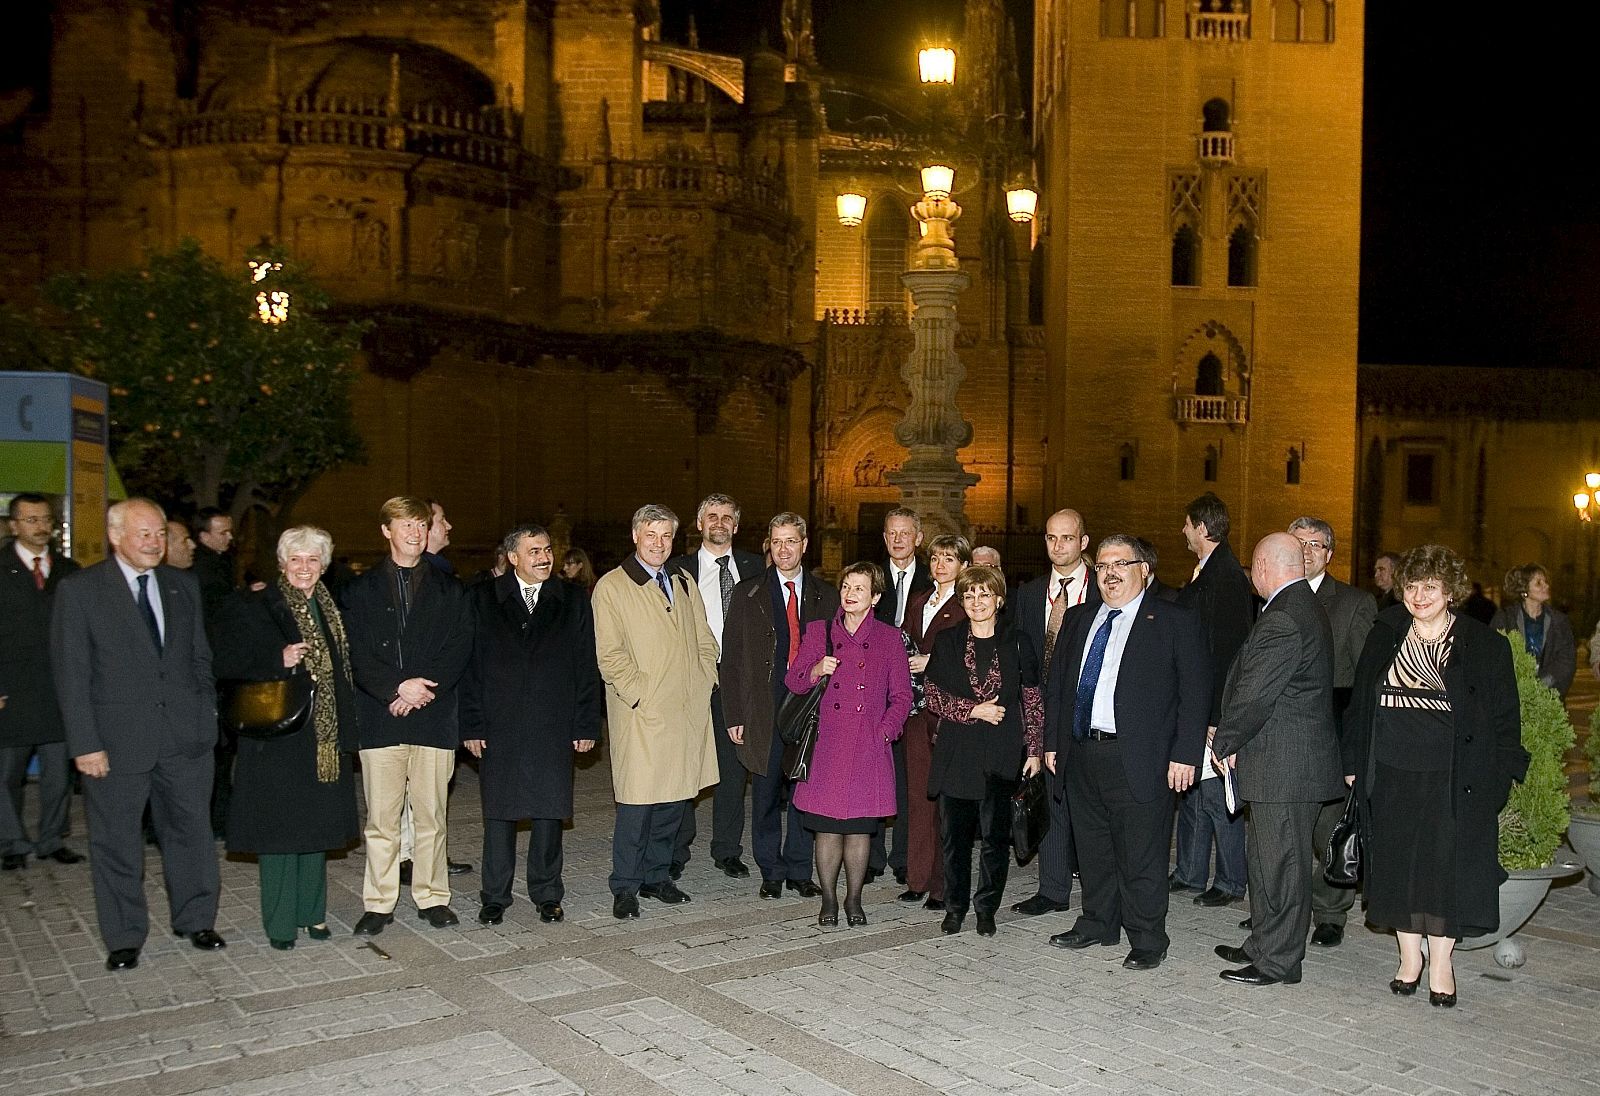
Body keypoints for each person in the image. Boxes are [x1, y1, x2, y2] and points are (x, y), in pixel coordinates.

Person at [1345, 545, 1528, 1008]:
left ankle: (1441, 962)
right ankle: (1410, 958)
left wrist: (1499, 778)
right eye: (1412, 585)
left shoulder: (1484, 645)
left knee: (1443, 871)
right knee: (1398, 867)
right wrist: (1352, 765)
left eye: (1430, 586)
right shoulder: (1384, 633)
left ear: (1451, 591)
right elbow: (1359, 705)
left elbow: (1506, 720)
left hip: (1451, 780)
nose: (1419, 595)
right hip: (1390, 775)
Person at [51, 498, 226, 971]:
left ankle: (197, 919)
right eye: (144, 533)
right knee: (116, 842)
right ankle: (124, 936)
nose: (154, 542)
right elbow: (72, 674)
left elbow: (199, 658)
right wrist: (85, 743)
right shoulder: (81, 590)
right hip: (114, 743)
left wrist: (204, 716)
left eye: (160, 533)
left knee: (191, 832)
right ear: (115, 537)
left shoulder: (182, 585)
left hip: (184, 739)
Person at [1043, 534, 1210, 971]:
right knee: (1093, 849)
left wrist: (1186, 754)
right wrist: (1053, 742)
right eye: (1102, 566)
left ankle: (1148, 938)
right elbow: (1058, 686)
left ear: (1145, 570)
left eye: (1121, 563)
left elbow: (1196, 693)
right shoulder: (1079, 619)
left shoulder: (1173, 620)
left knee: (1142, 855)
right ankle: (1098, 922)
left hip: (1141, 758)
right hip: (1082, 752)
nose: (1110, 573)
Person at [213, 526, 359, 950]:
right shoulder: (256, 604)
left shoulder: (330, 607)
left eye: (313, 559)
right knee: (279, 832)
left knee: (315, 828)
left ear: (324, 566)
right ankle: (280, 923)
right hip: (276, 738)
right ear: (281, 563)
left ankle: (312, 913)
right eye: (296, 559)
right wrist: (275, 659)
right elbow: (225, 661)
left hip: (322, 737)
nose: (304, 567)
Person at [1211, 533, 1342, 988]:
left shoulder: (1285, 616)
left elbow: (1254, 695)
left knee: (1283, 866)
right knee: (1266, 860)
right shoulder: (1298, 605)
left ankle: (1279, 961)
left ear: (1265, 566)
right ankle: (1263, 944)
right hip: (1279, 763)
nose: (1252, 575)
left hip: (1285, 766)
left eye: (1253, 567)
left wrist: (1223, 742)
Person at [340, 496, 473, 935]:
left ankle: (432, 897)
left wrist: (421, 691)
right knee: (382, 821)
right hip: (381, 717)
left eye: (421, 525)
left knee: (431, 817)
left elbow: (459, 648)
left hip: (433, 717)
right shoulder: (359, 590)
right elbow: (354, 652)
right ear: (386, 531)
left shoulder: (451, 589)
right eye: (406, 525)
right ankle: (378, 903)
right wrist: (395, 688)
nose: (416, 533)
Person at [461, 524, 601, 926]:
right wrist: (471, 725)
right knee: (499, 811)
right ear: (513, 558)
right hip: (499, 723)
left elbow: (585, 664)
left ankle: (547, 892)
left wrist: (586, 724)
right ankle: (495, 895)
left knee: (548, 810)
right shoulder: (482, 598)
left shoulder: (571, 599)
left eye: (547, 550)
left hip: (552, 721)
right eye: (534, 551)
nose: (544, 557)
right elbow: (469, 666)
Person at [592, 503, 720, 919]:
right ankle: (625, 885)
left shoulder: (682, 581)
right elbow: (610, 656)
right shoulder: (613, 587)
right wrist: (640, 694)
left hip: (684, 712)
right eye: (651, 534)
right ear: (635, 536)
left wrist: (704, 680)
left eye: (666, 536)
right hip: (642, 715)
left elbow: (705, 639)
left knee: (674, 802)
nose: (658, 543)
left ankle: (656, 876)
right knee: (638, 805)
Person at [784, 561, 914, 926]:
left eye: (859, 588)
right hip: (827, 745)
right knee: (826, 828)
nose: (850, 594)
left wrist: (885, 732)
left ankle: (854, 900)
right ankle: (828, 900)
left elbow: (902, 696)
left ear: (875, 597)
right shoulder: (819, 631)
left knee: (859, 829)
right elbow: (793, 681)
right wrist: (815, 670)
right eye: (846, 586)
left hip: (869, 745)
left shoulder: (890, 638)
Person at [721, 512, 837, 899]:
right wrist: (735, 714)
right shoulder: (748, 593)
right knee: (766, 790)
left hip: (809, 704)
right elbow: (731, 659)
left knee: (803, 786)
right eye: (776, 541)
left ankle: (800, 870)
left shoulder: (826, 595)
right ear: (769, 546)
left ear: (804, 544)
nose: (783, 549)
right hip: (763, 705)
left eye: (791, 541)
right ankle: (770, 870)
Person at [924, 565, 1043, 935]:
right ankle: (955, 908)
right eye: (969, 595)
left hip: (1002, 752)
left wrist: (1035, 750)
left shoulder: (1019, 641)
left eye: (984, 594)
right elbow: (931, 695)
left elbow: (1032, 698)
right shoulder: (947, 640)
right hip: (957, 752)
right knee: (955, 840)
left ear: (999, 599)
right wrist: (973, 710)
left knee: (994, 840)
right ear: (962, 601)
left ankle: (986, 909)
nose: (977, 601)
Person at [1288, 516, 1377, 948]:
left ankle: (1330, 914)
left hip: (1331, 736)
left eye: (1315, 545)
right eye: (1298, 543)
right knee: (1285, 831)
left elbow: (1366, 681)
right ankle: (1283, 911)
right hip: (1282, 735)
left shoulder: (1354, 603)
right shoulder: (1270, 597)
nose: (1306, 552)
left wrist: (1355, 749)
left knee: (1329, 831)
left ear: (1329, 553)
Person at [666, 494, 764, 879]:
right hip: (693, 678)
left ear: (736, 526)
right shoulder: (677, 570)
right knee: (685, 765)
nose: (719, 522)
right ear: (699, 523)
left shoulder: (756, 567)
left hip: (739, 680)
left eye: (726, 517)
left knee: (733, 769)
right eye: (712, 516)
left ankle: (727, 849)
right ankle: (677, 848)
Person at [1010, 508, 1097, 916]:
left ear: (1083, 542)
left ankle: (1099, 892)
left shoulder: (1101, 589)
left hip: (1087, 710)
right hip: (1042, 710)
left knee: (1090, 803)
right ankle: (1053, 889)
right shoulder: (1029, 594)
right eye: (1050, 537)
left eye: (1067, 538)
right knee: (1050, 798)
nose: (1058, 546)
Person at [1172, 492, 1255, 906]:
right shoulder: (1208, 571)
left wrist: (1218, 716)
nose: (1183, 531)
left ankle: (1230, 881)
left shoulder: (1226, 578)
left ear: (1202, 528)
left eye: (1188, 525)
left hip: (1214, 708)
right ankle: (1189, 872)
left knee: (1218, 795)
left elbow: (1227, 652)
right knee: (1193, 791)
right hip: (1198, 703)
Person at [0, 494, 83, 871]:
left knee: (57, 773)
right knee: (7, 774)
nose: (40, 527)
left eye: (46, 519)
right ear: (13, 525)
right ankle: (11, 843)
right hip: (12, 689)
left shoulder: (69, 570)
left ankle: (51, 838)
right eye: (31, 520)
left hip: (58, 690)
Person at [899, 533, 971, 910]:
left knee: (946, 800)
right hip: (916, 710)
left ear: (964, 565)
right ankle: (918, 878)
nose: (941, 565)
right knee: (919, 796)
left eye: (950, 559)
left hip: (949, 712)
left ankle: (943, 886)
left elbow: (974, 652)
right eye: (936, 558)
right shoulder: (919, 601)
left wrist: (933, 661)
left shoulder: (967, 603)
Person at [875, 507, 931, 884]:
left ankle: (903, 858)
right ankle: (872, 857)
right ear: (884, 537)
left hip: (915, 694)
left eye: (905, 533)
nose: (898, 540)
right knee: (875, 772)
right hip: (875, 691)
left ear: (918, 538)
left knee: (911, 776)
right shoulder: (870, 577)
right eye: (892, 533)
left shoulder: (933, 578)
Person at [1491, 564, 1576, 696]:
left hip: (1548, 694)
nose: (1546, 586)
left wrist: (1542, 684)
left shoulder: (1559, 621)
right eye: (1538, 583)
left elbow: (1566, 660)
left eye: (1545, 582)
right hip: (1511, 694)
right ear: (1524, 590)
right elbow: (1492, 655)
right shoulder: (1505, 619)